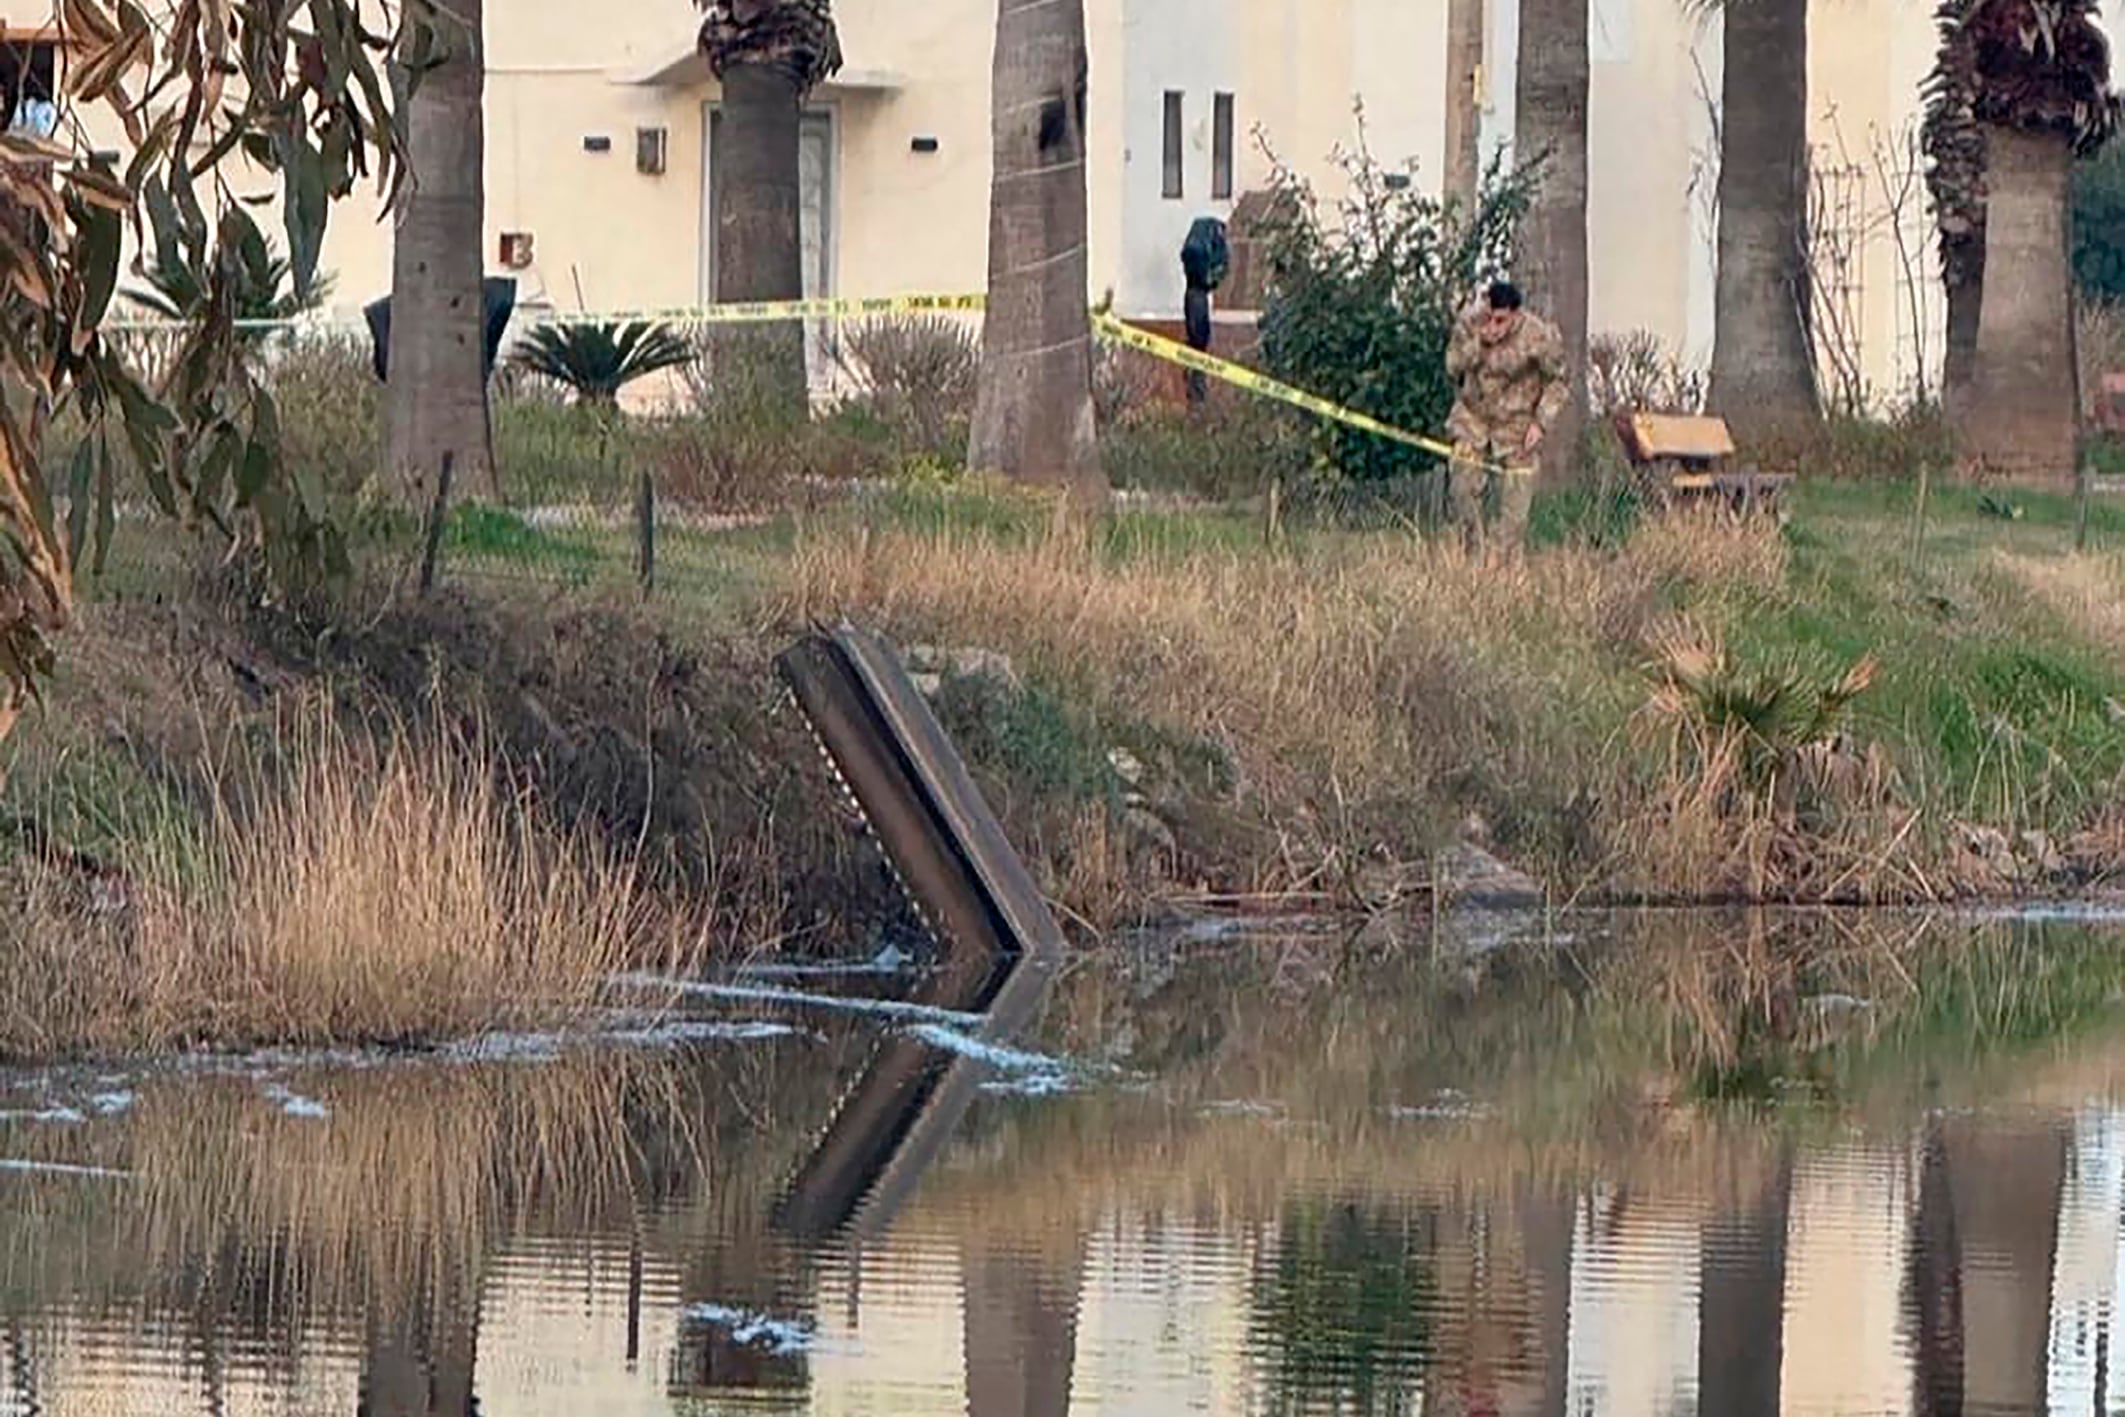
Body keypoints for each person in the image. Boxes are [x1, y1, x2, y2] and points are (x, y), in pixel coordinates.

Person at [1444, 280, 1569, 559]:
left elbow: (1559, 381)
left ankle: (1504, 559)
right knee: (1462, 484)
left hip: (1516, 422)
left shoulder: (1537, 335)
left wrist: (1541, 422)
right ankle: (1472, 554)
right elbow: (1452, 366)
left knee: (1516, 501)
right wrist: (1478, 342)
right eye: (1489, 317)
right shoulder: (1469, 324)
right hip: (1473, 417)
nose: (1493, 326)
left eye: (1500, 321)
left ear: (1515, 314)